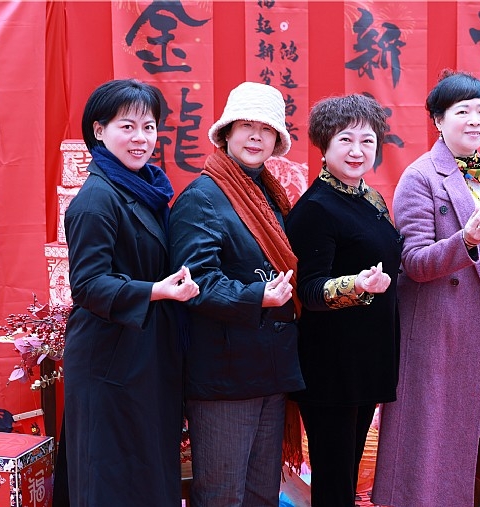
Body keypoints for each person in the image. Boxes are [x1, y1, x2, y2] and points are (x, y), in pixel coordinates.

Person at [372, 70, 480, 507]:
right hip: (440, 329)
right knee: (429, 444)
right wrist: (464, 242)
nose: (475, 120)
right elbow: (413, 262)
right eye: (462, 111)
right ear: (438, 120)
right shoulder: (420, 176)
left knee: (478, 437)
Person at [63, 78, 200, 507]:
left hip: (144, 354)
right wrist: (156, 290)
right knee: (112, 478)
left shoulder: (146, 189)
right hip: (110, 360)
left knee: (147, 471)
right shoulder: (97, 199)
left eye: (149, 127)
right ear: (99, 131)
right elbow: (88, 285)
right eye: (127, 127)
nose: (141, 138)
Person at [169, 82, 305, 507]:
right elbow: (195, 283)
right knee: (222, 495)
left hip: (270, 369)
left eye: (266, 129)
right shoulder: (202, 197)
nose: (255, 137)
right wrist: (257, 296)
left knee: (262, 494)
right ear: (226, 132)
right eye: (246, 126)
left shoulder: (268, 193)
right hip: (225, 376)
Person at [285, 94, 402, 507]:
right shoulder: (316, 208)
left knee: (347, 478)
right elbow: (308, 289)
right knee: (334, 482)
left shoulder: (369, 198)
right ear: (324, 144)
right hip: (331, 367)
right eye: (346, 140)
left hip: (367, 360)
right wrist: (356, 285)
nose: (357, 151)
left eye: (367, 141)